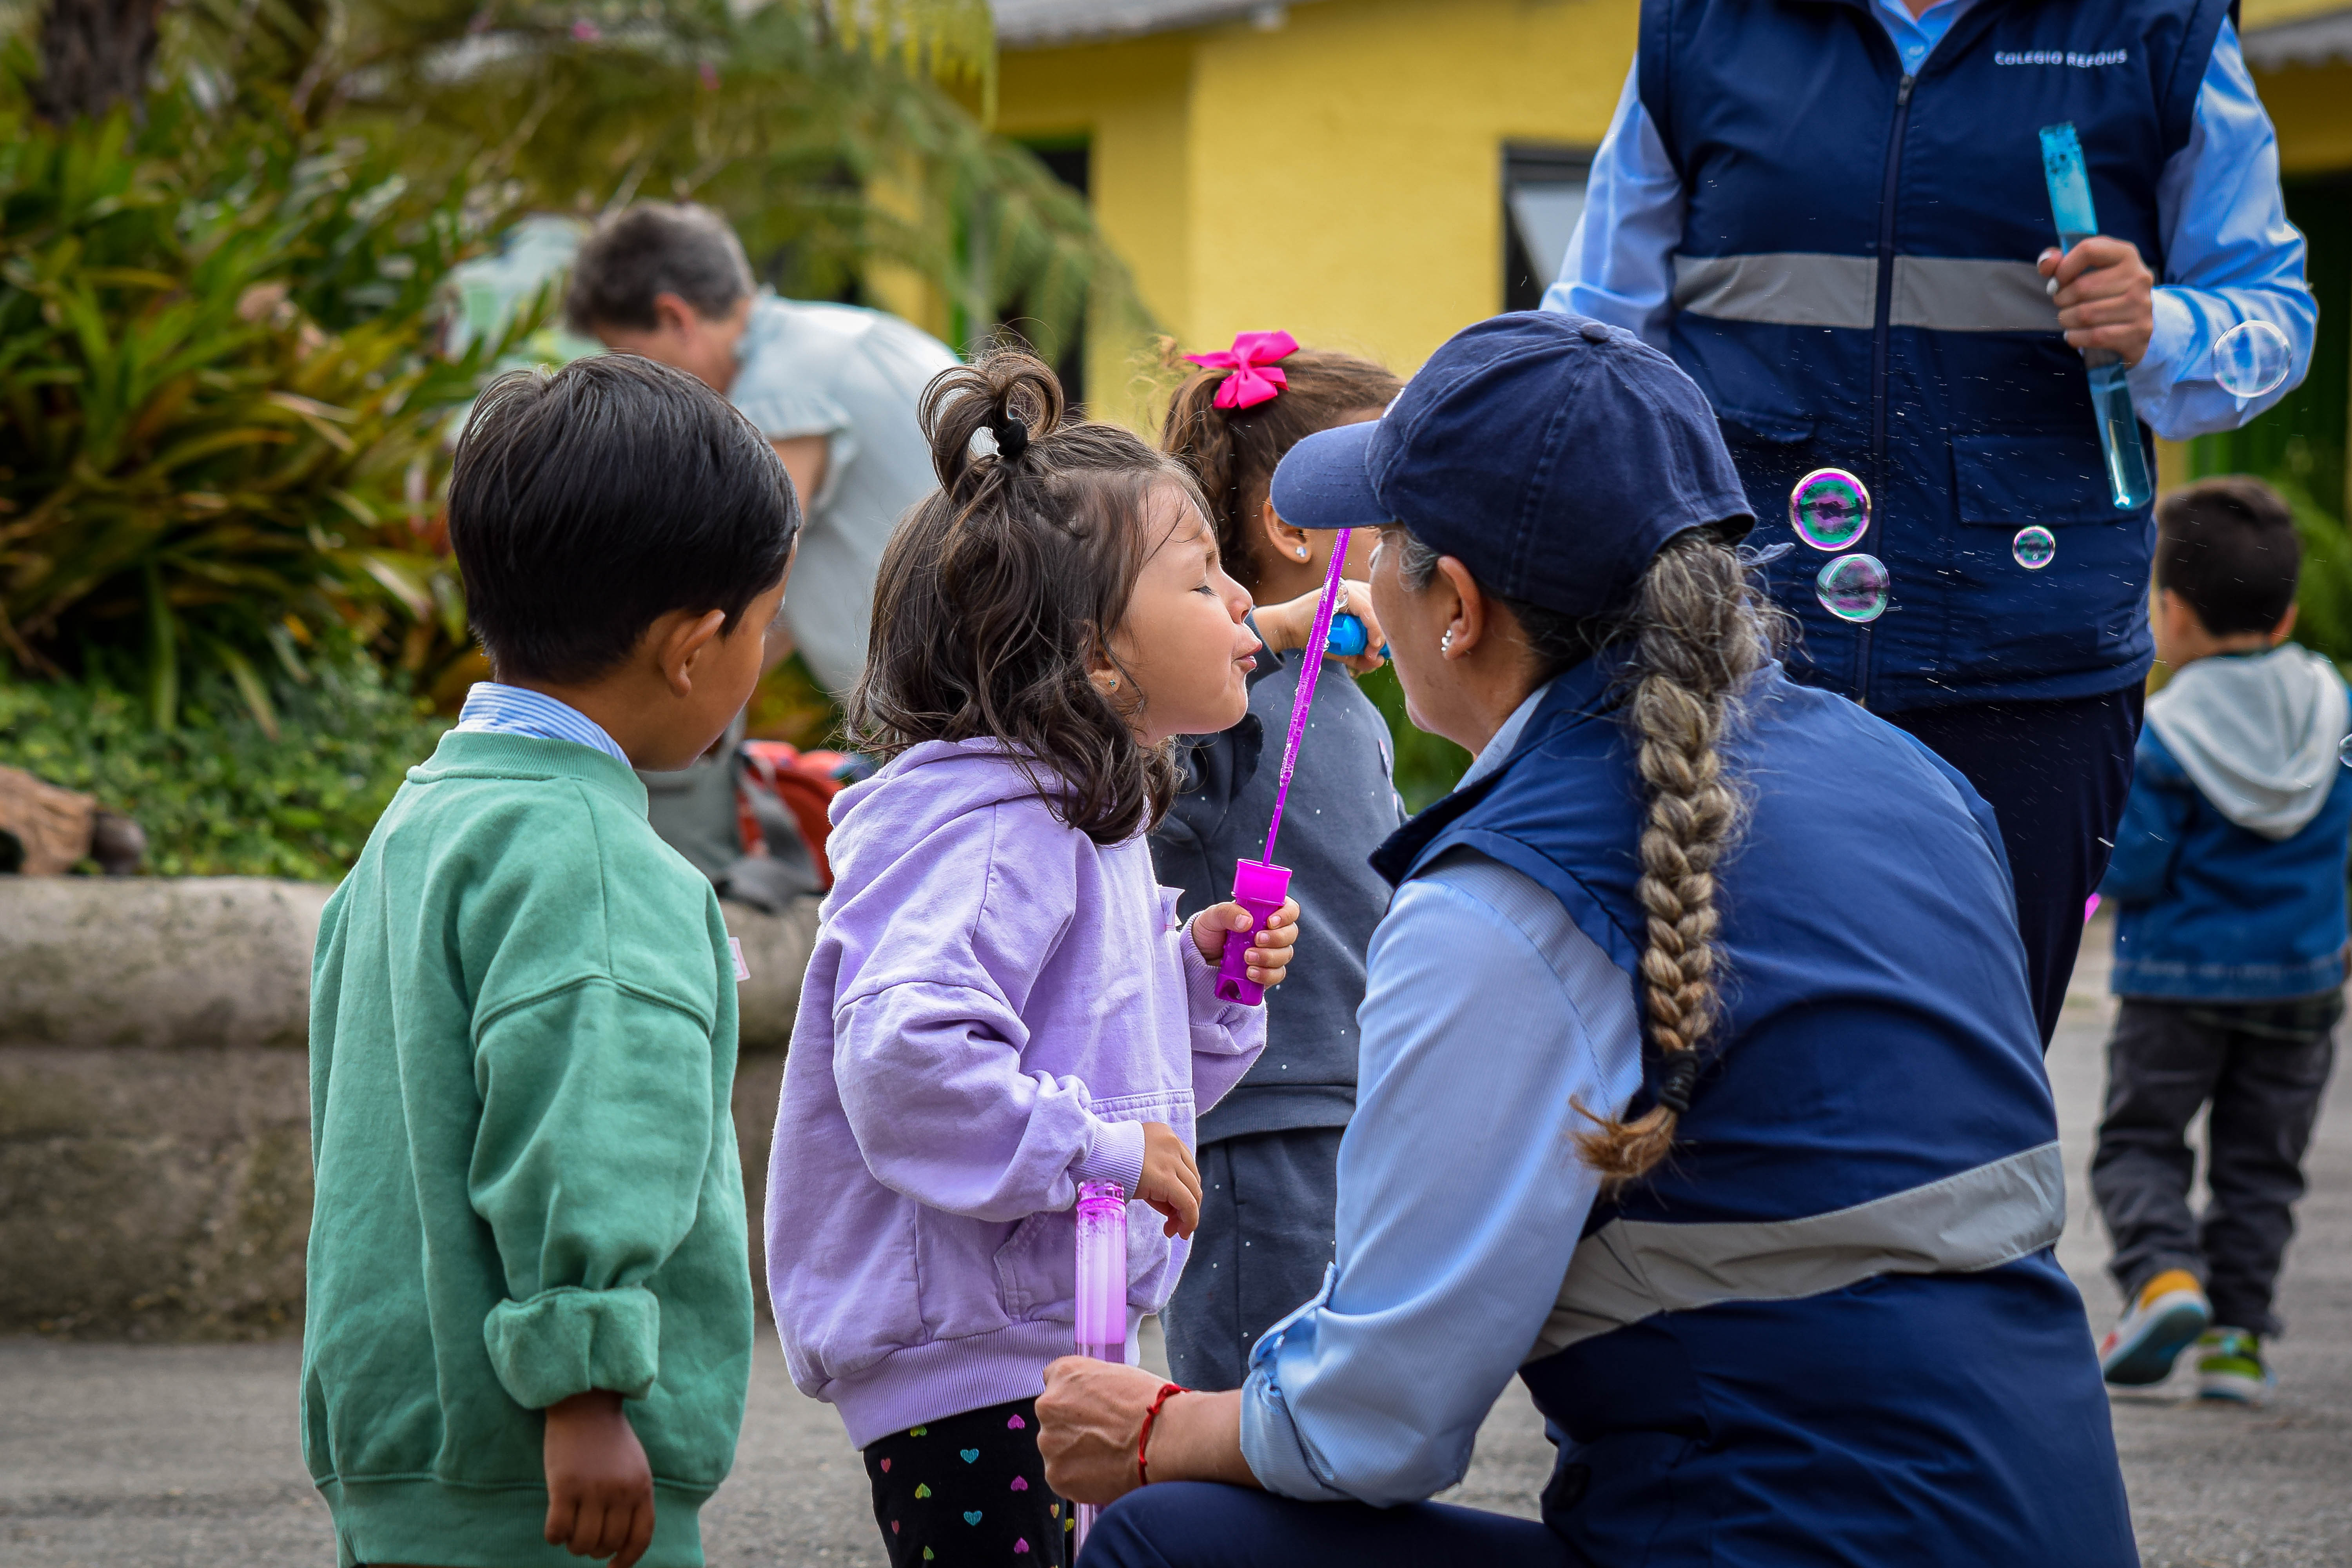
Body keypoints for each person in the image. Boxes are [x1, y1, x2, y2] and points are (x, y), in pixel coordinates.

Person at [1031, 312, 2134, 1567]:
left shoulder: (1505, 894)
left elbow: (1375, 1421)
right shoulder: (1917, 786)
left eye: (1385, 546)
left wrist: (1158, 1424)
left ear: (1452, 606)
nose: (1367, 587)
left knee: (1168, 1538)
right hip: (2047, 1528)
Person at [1551, 0, 2317, 1044]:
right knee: (1720, 1064)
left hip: (2032, 672)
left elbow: (2276, 313)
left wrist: (2164, 328)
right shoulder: (1703, 24)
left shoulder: (2156, 28)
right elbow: (1600, 323)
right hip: (1739, 651)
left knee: (1976, 1072)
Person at [764, 350, 1303, 1568]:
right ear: (1096, 655)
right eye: (1201, 576)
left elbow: (1088, 1057)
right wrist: (1105, 1150)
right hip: (967, 1363)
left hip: (1036, 1332)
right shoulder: (1004, 828)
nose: (1238, 603)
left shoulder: (1074, 818)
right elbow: (909, 1066)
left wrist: (1195, 984)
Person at [301, 354, 798, 1568]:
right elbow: (588, 1134)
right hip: (548, 1471)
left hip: (400, 1442)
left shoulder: (421, 823)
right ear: (691, 647)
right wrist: (586, 1392)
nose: (760, 659)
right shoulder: (603, 866)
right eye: (765, 625)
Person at [1149, 333, 1406, 1391]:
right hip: (1261, 1122)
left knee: (1343, 1399)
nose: (1420, 546)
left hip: (1350, 1106)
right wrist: (1269, 637)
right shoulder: (1220, 704)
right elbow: (1112, 783)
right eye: (1397, 518)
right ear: (1293, 531)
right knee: (1262, 1403)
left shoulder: (1338, 702)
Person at [2090, 476, 2350, 1406]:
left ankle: (2164, 1277)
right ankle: (2239, 1341)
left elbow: (2135, 871)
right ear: (2283, 615)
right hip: (2303, 984)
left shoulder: (2166, 735)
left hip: (2175, 984)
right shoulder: (2334, 706)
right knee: (2262, 1165)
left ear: (2171, 611)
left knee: (2142, 1141)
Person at [566, 201, 959, 700]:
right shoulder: (837, 335)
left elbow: (739, 591)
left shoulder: (773, 394)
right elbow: (780, 604)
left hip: (957, 733)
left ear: (676, 318)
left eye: (627, 356)